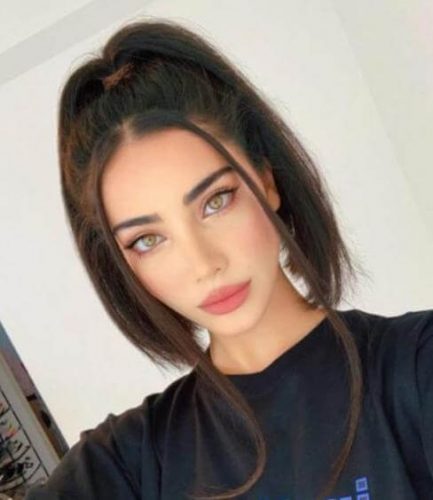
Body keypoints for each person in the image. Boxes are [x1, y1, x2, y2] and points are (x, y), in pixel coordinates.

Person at [24, 18, 433, 500]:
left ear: (266, 182)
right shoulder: (127, 463)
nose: (203, 264)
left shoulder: (414, 369)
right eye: (148, 240)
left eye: (215, 202)